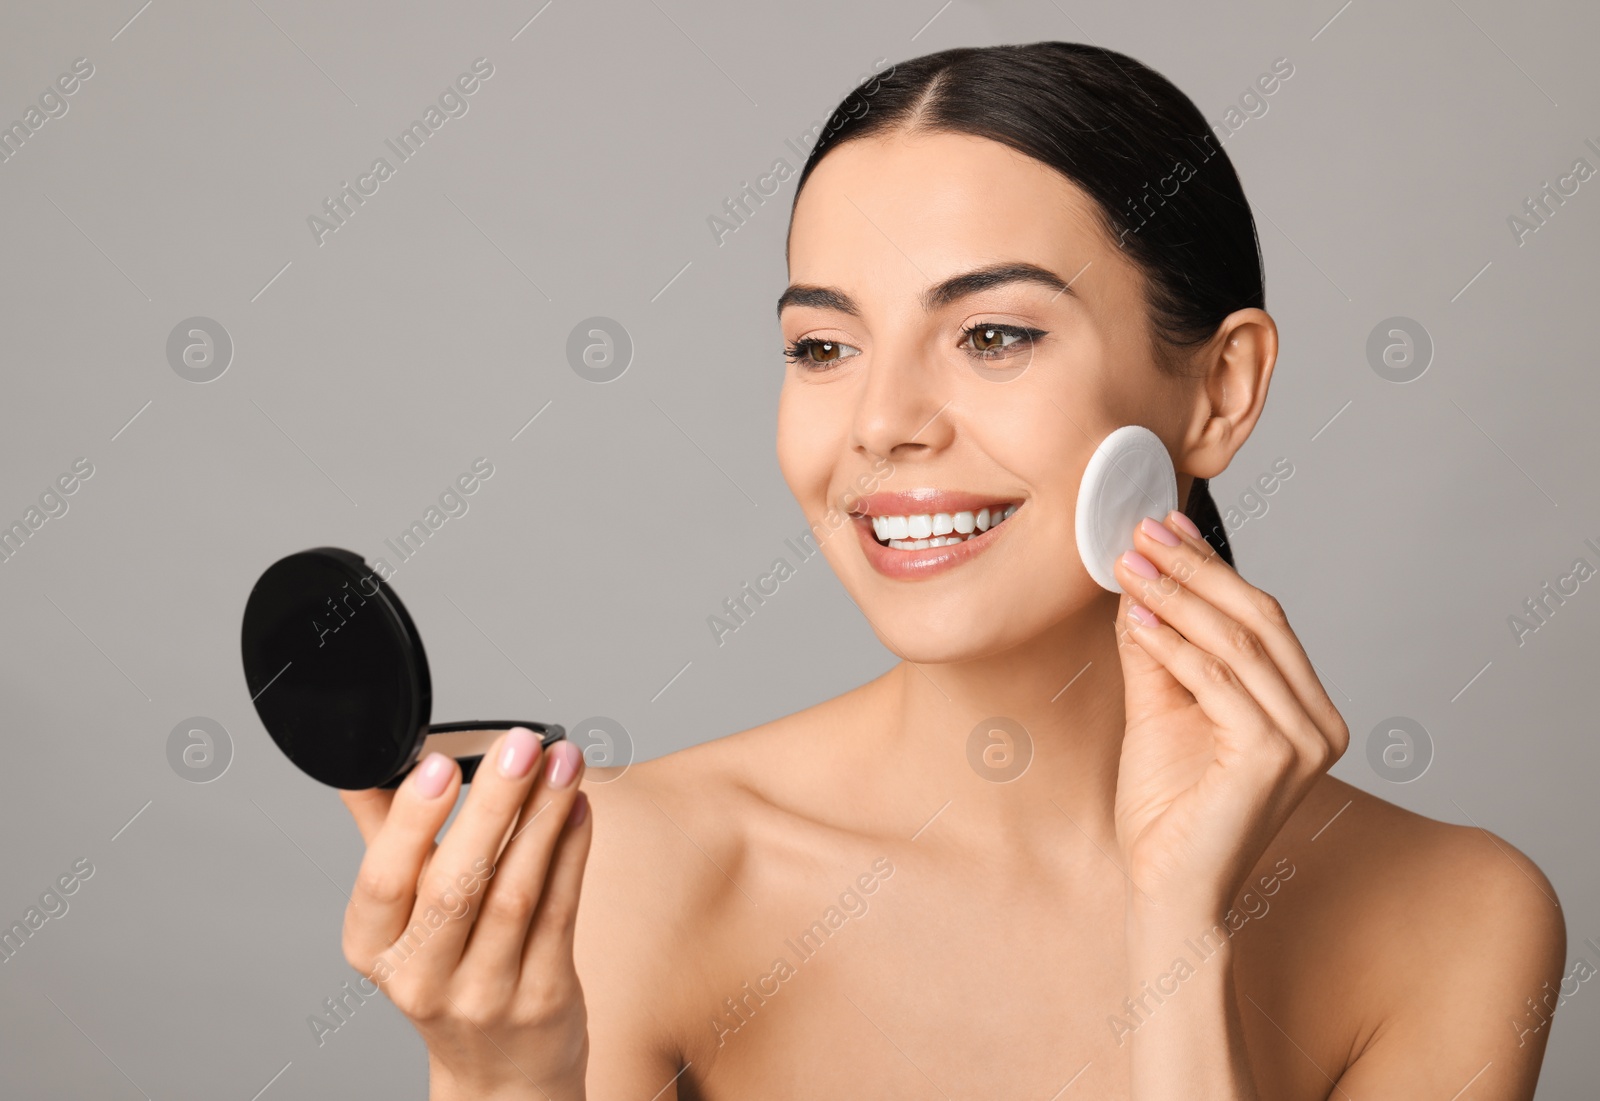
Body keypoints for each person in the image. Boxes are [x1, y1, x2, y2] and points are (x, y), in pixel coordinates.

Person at [336, 42, 1565, 1100]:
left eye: (991, 335)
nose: (880, 423)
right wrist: (502, 1077)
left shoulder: (1455, 919)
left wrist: (1178, 939)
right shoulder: (635, 870)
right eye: (822, 346)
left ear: (1219, 390)